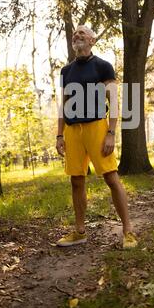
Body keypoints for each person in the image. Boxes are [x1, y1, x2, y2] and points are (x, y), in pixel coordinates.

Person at [55, 25, 137, 249]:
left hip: (97, 127)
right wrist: (59, 135)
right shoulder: (66, 71)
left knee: (111, 178)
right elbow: (62, 106)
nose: (77, 35)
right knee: (76, 180)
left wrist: (111, 133)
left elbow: (114, 102)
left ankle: (128, 231)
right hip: (72, 131)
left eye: (82, 33)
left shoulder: (103, 66)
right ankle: (80, 232)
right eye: (75, 33)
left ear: (92, 40)